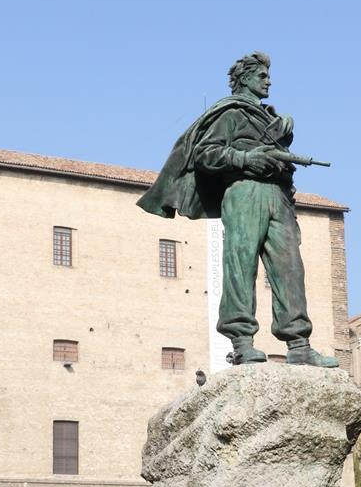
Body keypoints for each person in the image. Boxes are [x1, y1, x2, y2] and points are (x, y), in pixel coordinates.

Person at [137, 52, 338, 368]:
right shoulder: (229, 113)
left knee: (290, 269)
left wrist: (283, 141)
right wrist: (245, 159)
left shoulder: (269, 118)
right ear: (245, 79)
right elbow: (205, 154)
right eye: (262, 76)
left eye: (268, 76)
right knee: (240, 265)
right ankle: (242, 342)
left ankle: (299, 344)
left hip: (278, 195)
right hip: (244, 192)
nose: (268, 81)